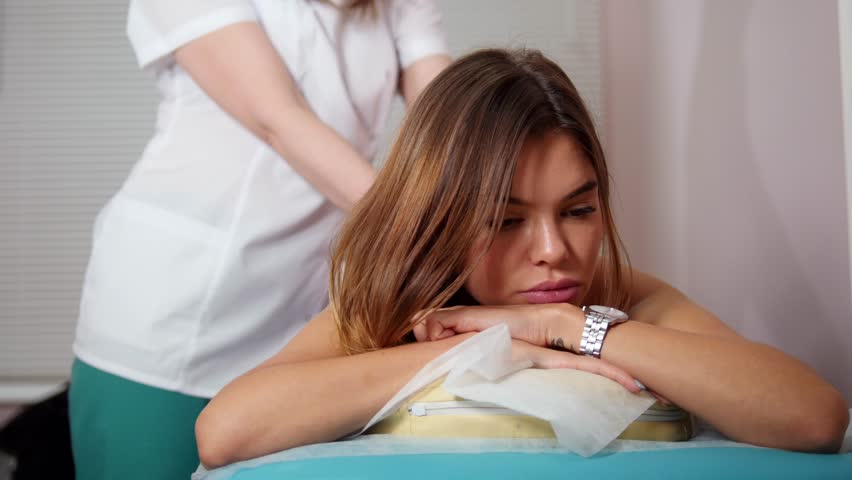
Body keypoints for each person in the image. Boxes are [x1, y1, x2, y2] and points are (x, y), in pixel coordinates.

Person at [194, 48, 850, 469]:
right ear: (441, 217)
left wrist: (566, 328)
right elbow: (224, 431)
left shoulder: (621, 292)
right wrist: (484, 346)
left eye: (579, 210)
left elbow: (814, 417)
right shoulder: (392, 308)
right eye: (506, 221)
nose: (552, 252)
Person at [68, 0, 451, 478]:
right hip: (171, 317)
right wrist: (441, 237)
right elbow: (279, 119)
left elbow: (452, 115)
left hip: (296, 325)